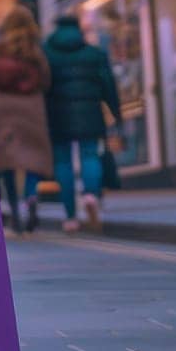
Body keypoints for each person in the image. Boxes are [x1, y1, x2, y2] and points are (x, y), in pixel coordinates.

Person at [44, 13, 123, 232]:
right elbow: (108, 83)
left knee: (63, 163)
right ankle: (90, 194)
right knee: (90, 154)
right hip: (90, 112)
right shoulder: (94, 53)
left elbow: (41, 85)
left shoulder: (47, 54)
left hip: (57, 115)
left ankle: (70, 217)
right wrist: (116, 112)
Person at [0, 5, 53, 234]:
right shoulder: (32, 45)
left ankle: (13, 209)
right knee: (31, 156)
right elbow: (45, 76)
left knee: (6, 161)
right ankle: (31, 197)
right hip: (29, 105)